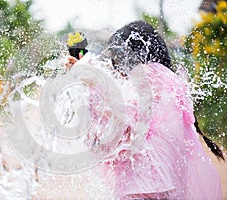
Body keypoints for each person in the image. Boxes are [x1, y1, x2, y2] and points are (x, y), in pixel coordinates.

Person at [65, 21, 224, 199]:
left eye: (119, 58)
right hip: (159, 187)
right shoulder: (167, 81)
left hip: (145, 188)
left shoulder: (150, 76)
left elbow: (122, 115)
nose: (118, 69)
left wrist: (90, 78)